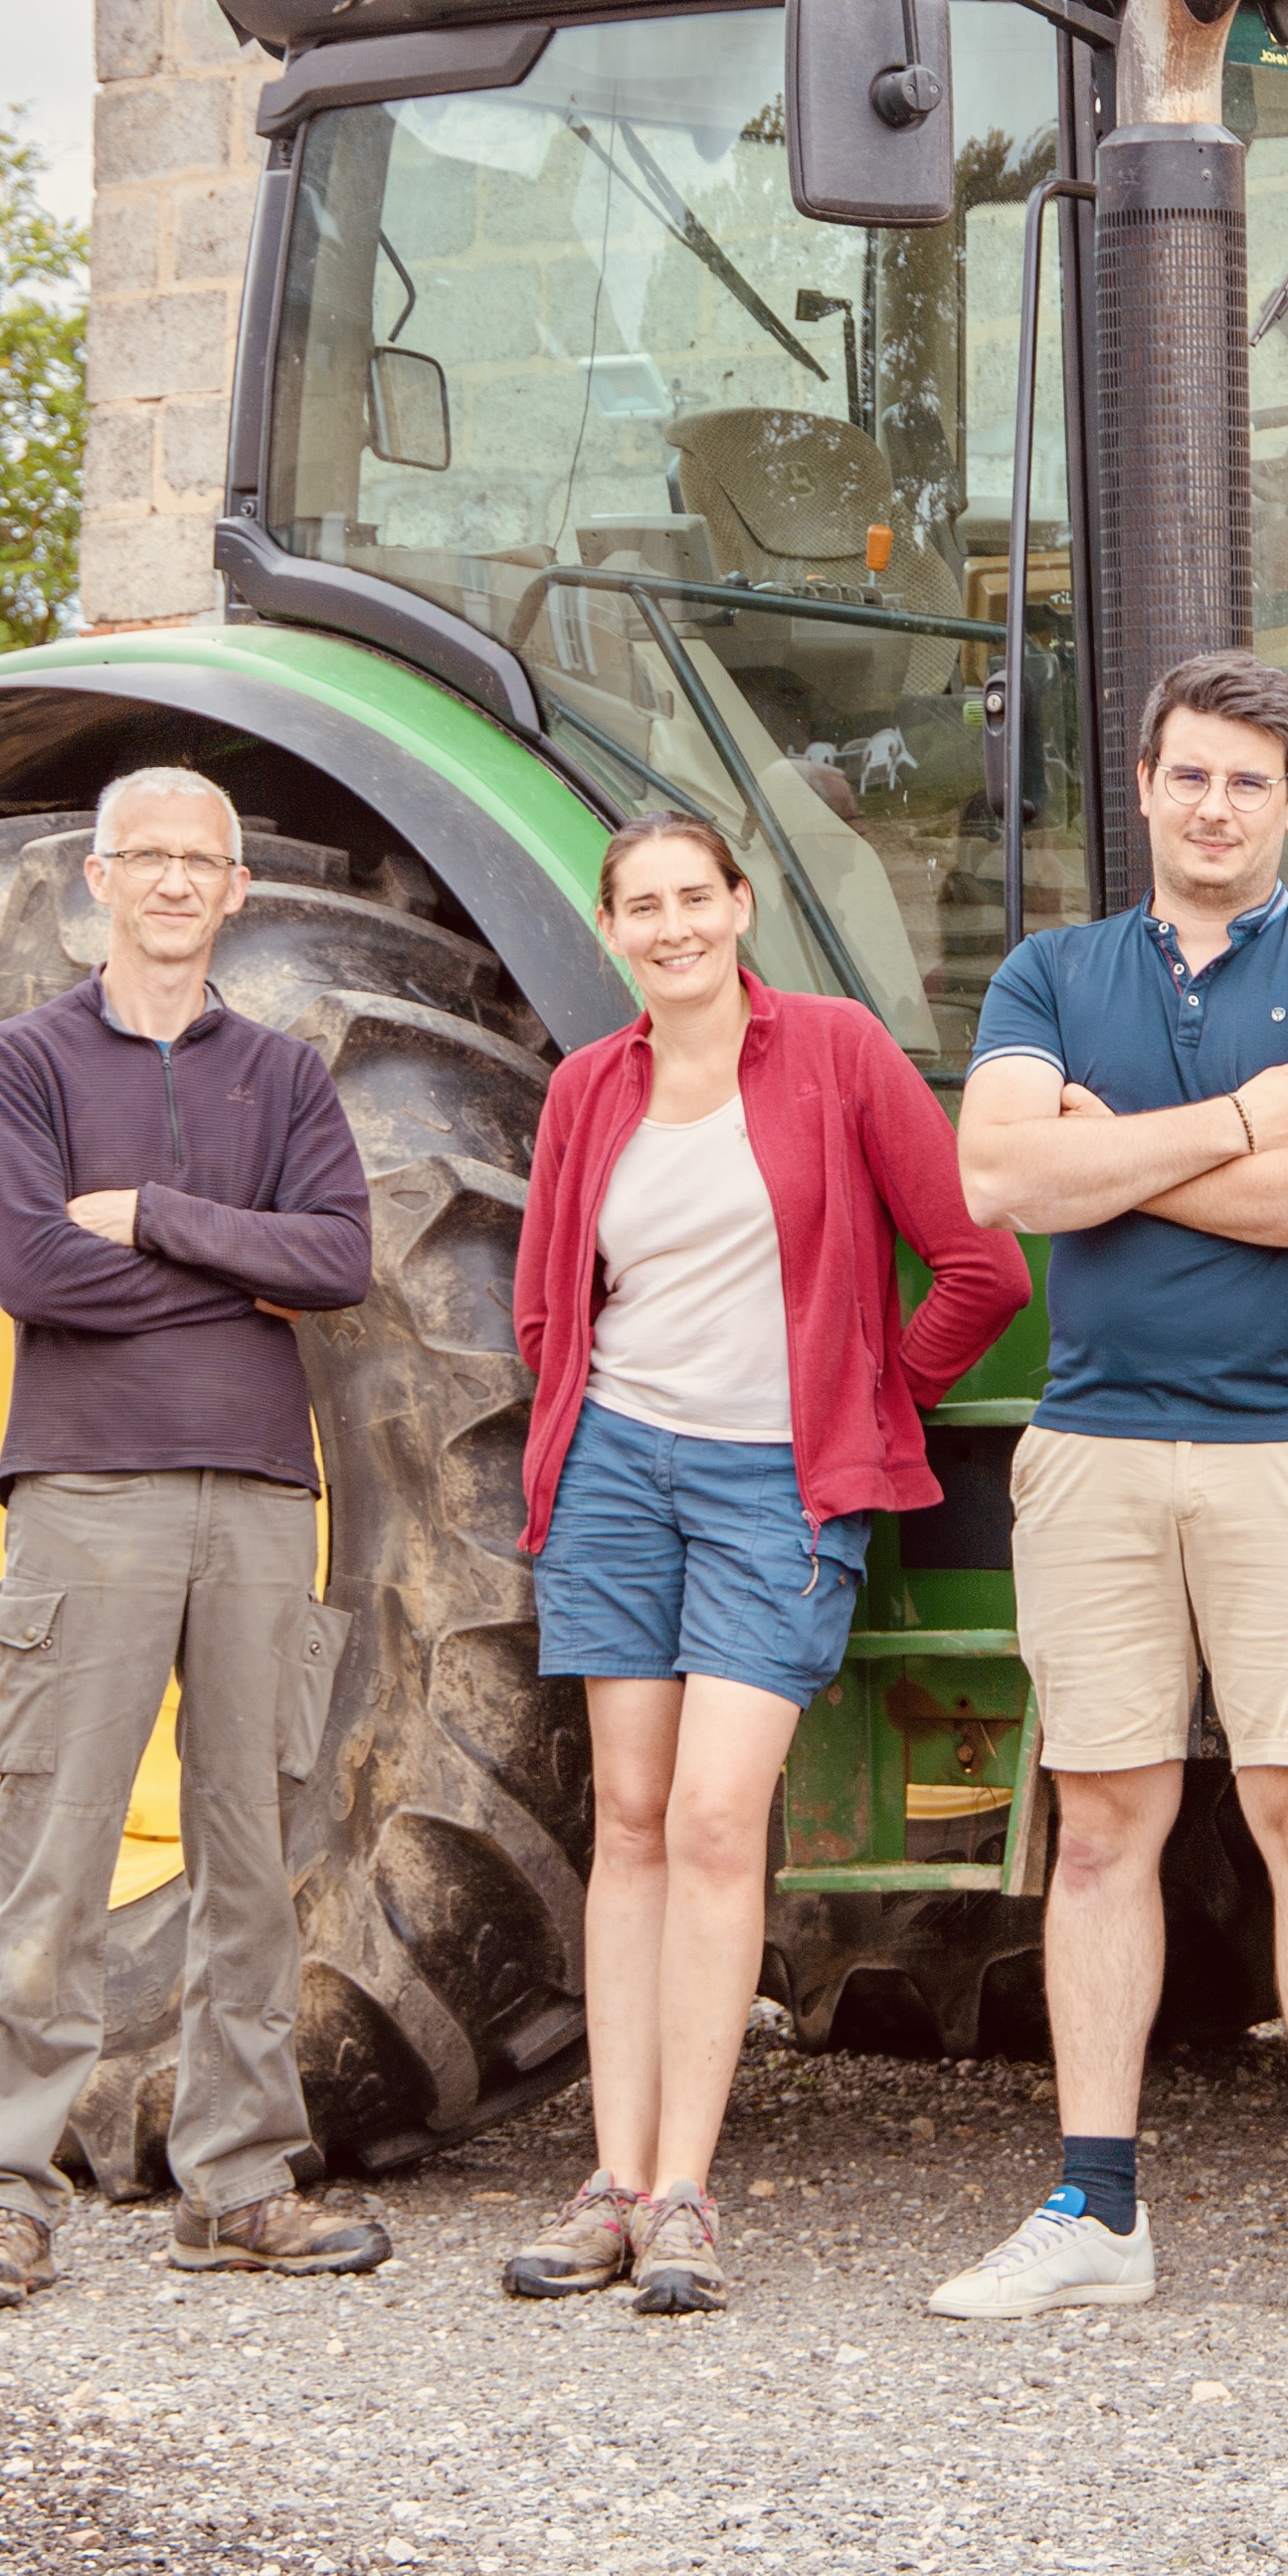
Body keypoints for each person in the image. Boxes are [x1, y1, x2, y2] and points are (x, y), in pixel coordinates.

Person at [928, 649, 1288, 2340]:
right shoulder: (1049, 970)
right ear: (1140, 787)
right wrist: (1235, 1118)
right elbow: (1000, 1173)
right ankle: (1094, 2202)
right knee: (1104, 1830)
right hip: (1095, 1448)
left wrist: (1119, 1151)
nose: (1216, 806)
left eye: (1250, 781)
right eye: (1189, 775)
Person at [502, 809, 1028, 2314]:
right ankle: (608, 2182)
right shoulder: (585, 1088)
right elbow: (552, 1308)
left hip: (772, 1489)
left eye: (693, 896)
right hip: (614, 1473)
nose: (670, 926)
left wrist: (875, 1400)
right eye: (641, 907)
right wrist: (580, 1420)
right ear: (614, 932)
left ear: (740, 905)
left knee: (725, 1822)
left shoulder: (839, 1052)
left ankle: (684, 2193)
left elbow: (979, 1269)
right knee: (632, 1816)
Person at [0, 764, 389, 2311]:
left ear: (237, 888)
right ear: (99, 879)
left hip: (261, 1494)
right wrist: (227, 1275)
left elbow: (337, 1261)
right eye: (151, 857)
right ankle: (1, 2184)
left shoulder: (288, 1075)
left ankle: (239, 2179)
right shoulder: (20, 1061)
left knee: (251, 1854)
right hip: (90, 1492)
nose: (179, 881)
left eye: (206, 860)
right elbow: (35, 1271)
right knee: (52, 1850)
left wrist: (154, 1217)